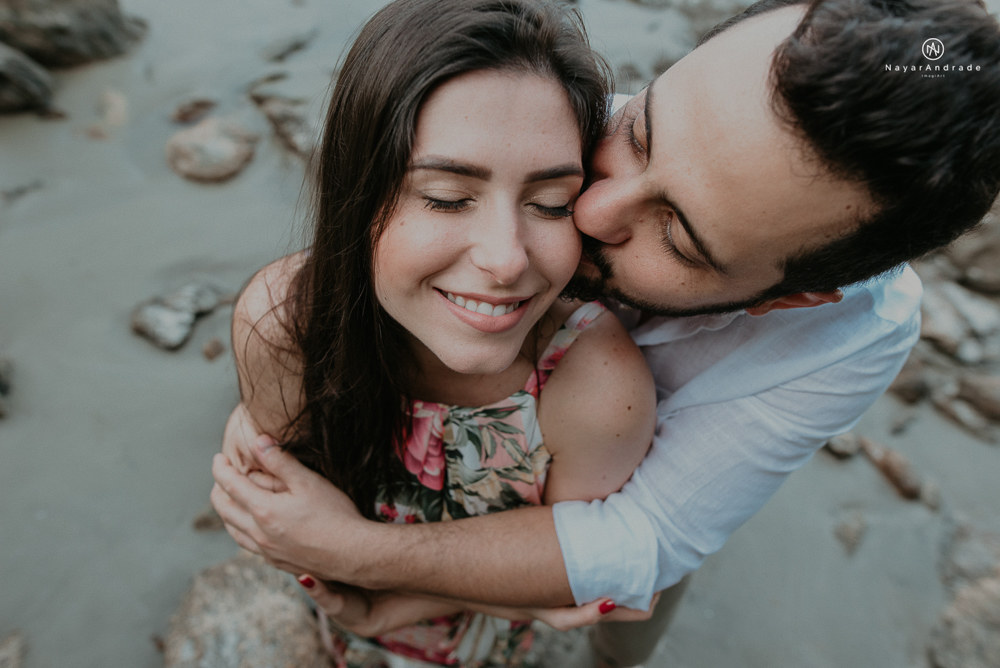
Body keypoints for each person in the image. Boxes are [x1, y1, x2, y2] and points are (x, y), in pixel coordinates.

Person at [212, 0, 1000, 666]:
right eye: (641, 134)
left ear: (786, 300)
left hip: (620, 486)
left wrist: (363, 566)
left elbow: (643, 537)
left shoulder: (848, 338)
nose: (591, 210)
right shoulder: (544, 117)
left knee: (626, 625)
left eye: (681, 240)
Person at [219, 0, 661, 665]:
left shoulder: (596, 385)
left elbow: (576, 579)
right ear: (358, 193)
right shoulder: (284, 325)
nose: (507, 258)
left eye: (550, 204)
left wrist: (387, 593)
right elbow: (283, 530)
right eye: (448, 197)